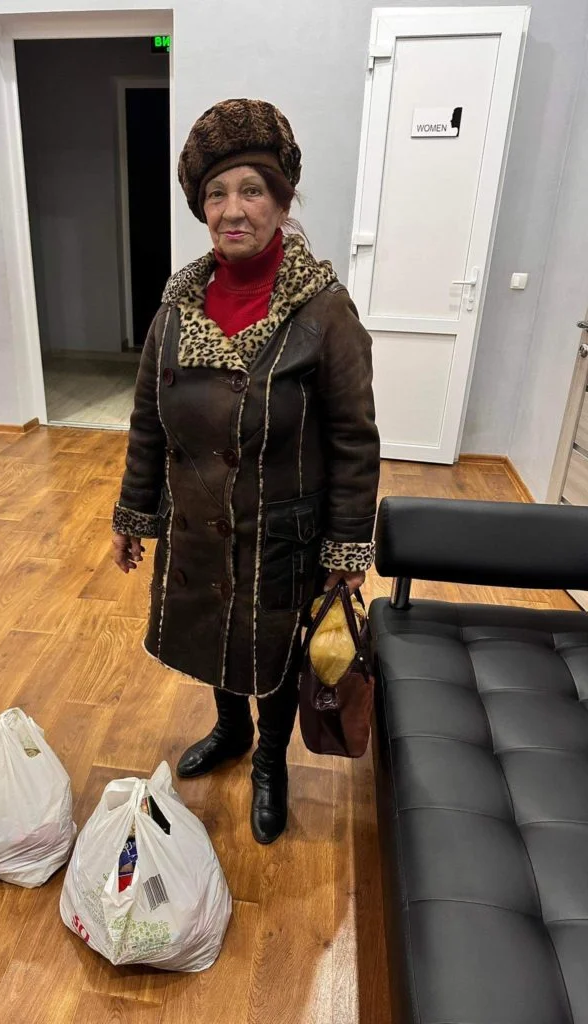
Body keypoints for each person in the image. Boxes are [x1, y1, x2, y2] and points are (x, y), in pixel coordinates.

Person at [112, 98, 380, 844]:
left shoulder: (324, 313)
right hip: (198, 519)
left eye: (252, 190)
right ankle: (230, 730)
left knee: (274, 648)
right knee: (212, 632)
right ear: (202, 207)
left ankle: (269, 761)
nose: (233, 210)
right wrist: (134, 512)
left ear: (282, 203)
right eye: (216, 194)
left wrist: (346, 549)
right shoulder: (176, 308)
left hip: (282, 526)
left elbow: (355, 440)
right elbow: (148, 423)